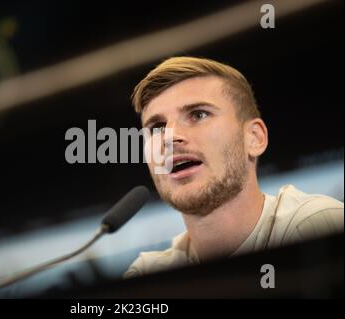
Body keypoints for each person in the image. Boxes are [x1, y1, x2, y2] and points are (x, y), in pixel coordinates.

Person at [124, 57, 344, 278]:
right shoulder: (147, 273)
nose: (170, 138)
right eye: (157, 127)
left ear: (254, 138)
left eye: (198, 114)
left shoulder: (315, 226)